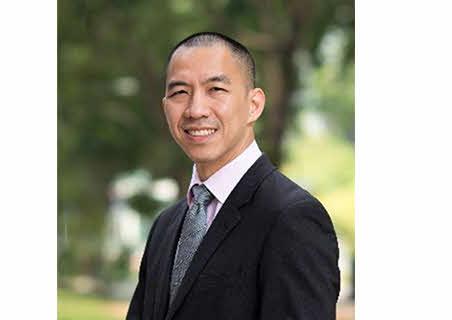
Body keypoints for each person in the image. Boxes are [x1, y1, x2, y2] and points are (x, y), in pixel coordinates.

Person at [126, 32, 339, 320]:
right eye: (179, 93)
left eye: (215, 89)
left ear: (254, 105)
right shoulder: (166, 225)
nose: (195, 109)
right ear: (166, 106)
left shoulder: (292, 218)